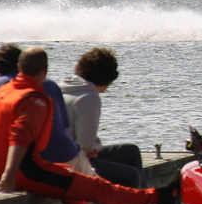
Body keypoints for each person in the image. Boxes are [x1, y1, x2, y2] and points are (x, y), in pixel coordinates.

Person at [0, 47, 180, 204]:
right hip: (24, 171)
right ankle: (158, 198)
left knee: (67, 179)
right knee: (95, 187)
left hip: (4, 169)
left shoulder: (1, 93)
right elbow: (20, 135)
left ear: (19, 66)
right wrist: (9, 175)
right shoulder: (34, 98)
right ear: (45, 70)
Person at [0, 44, 95, 178]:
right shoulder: (48, 84)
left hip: (11, 164)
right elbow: (64, 129)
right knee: (95, 184)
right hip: (57, 158)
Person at [60, 48, 146, 189]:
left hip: (63, 155)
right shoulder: (89, 98)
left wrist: (94, 148)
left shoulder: (64, 87)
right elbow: (84, 147)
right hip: (72, 163)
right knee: (132, 175)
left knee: (131, 151)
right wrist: (93, 149)